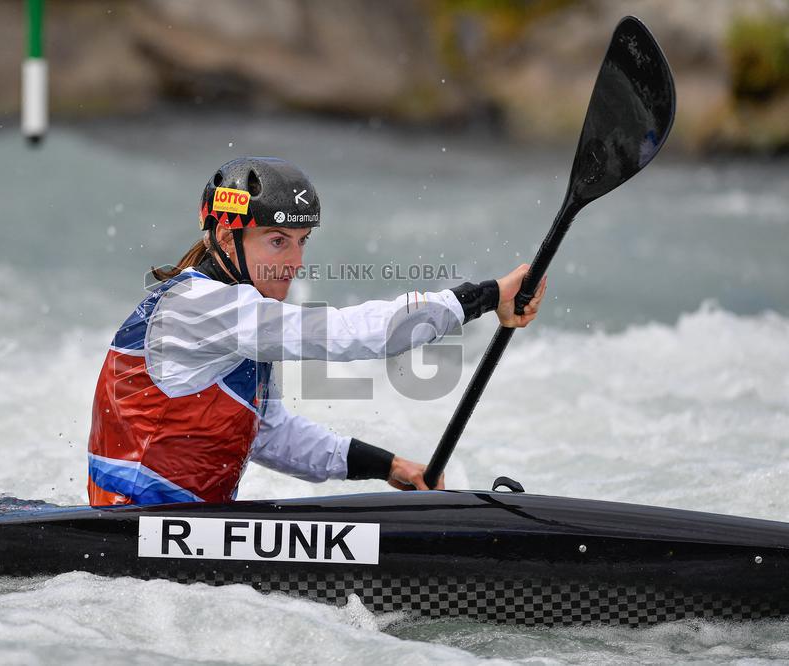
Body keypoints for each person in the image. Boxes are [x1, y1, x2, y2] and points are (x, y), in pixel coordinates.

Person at [86, 157, 546, 506]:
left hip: (171, 533)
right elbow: (348, 332)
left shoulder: (233, 320)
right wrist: (486, 296)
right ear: (228, 239)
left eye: (302, 243)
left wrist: (385, 466)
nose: (296, 262)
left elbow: (268, 435)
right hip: (129, 532)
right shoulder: (202, 306)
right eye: (278, 241)